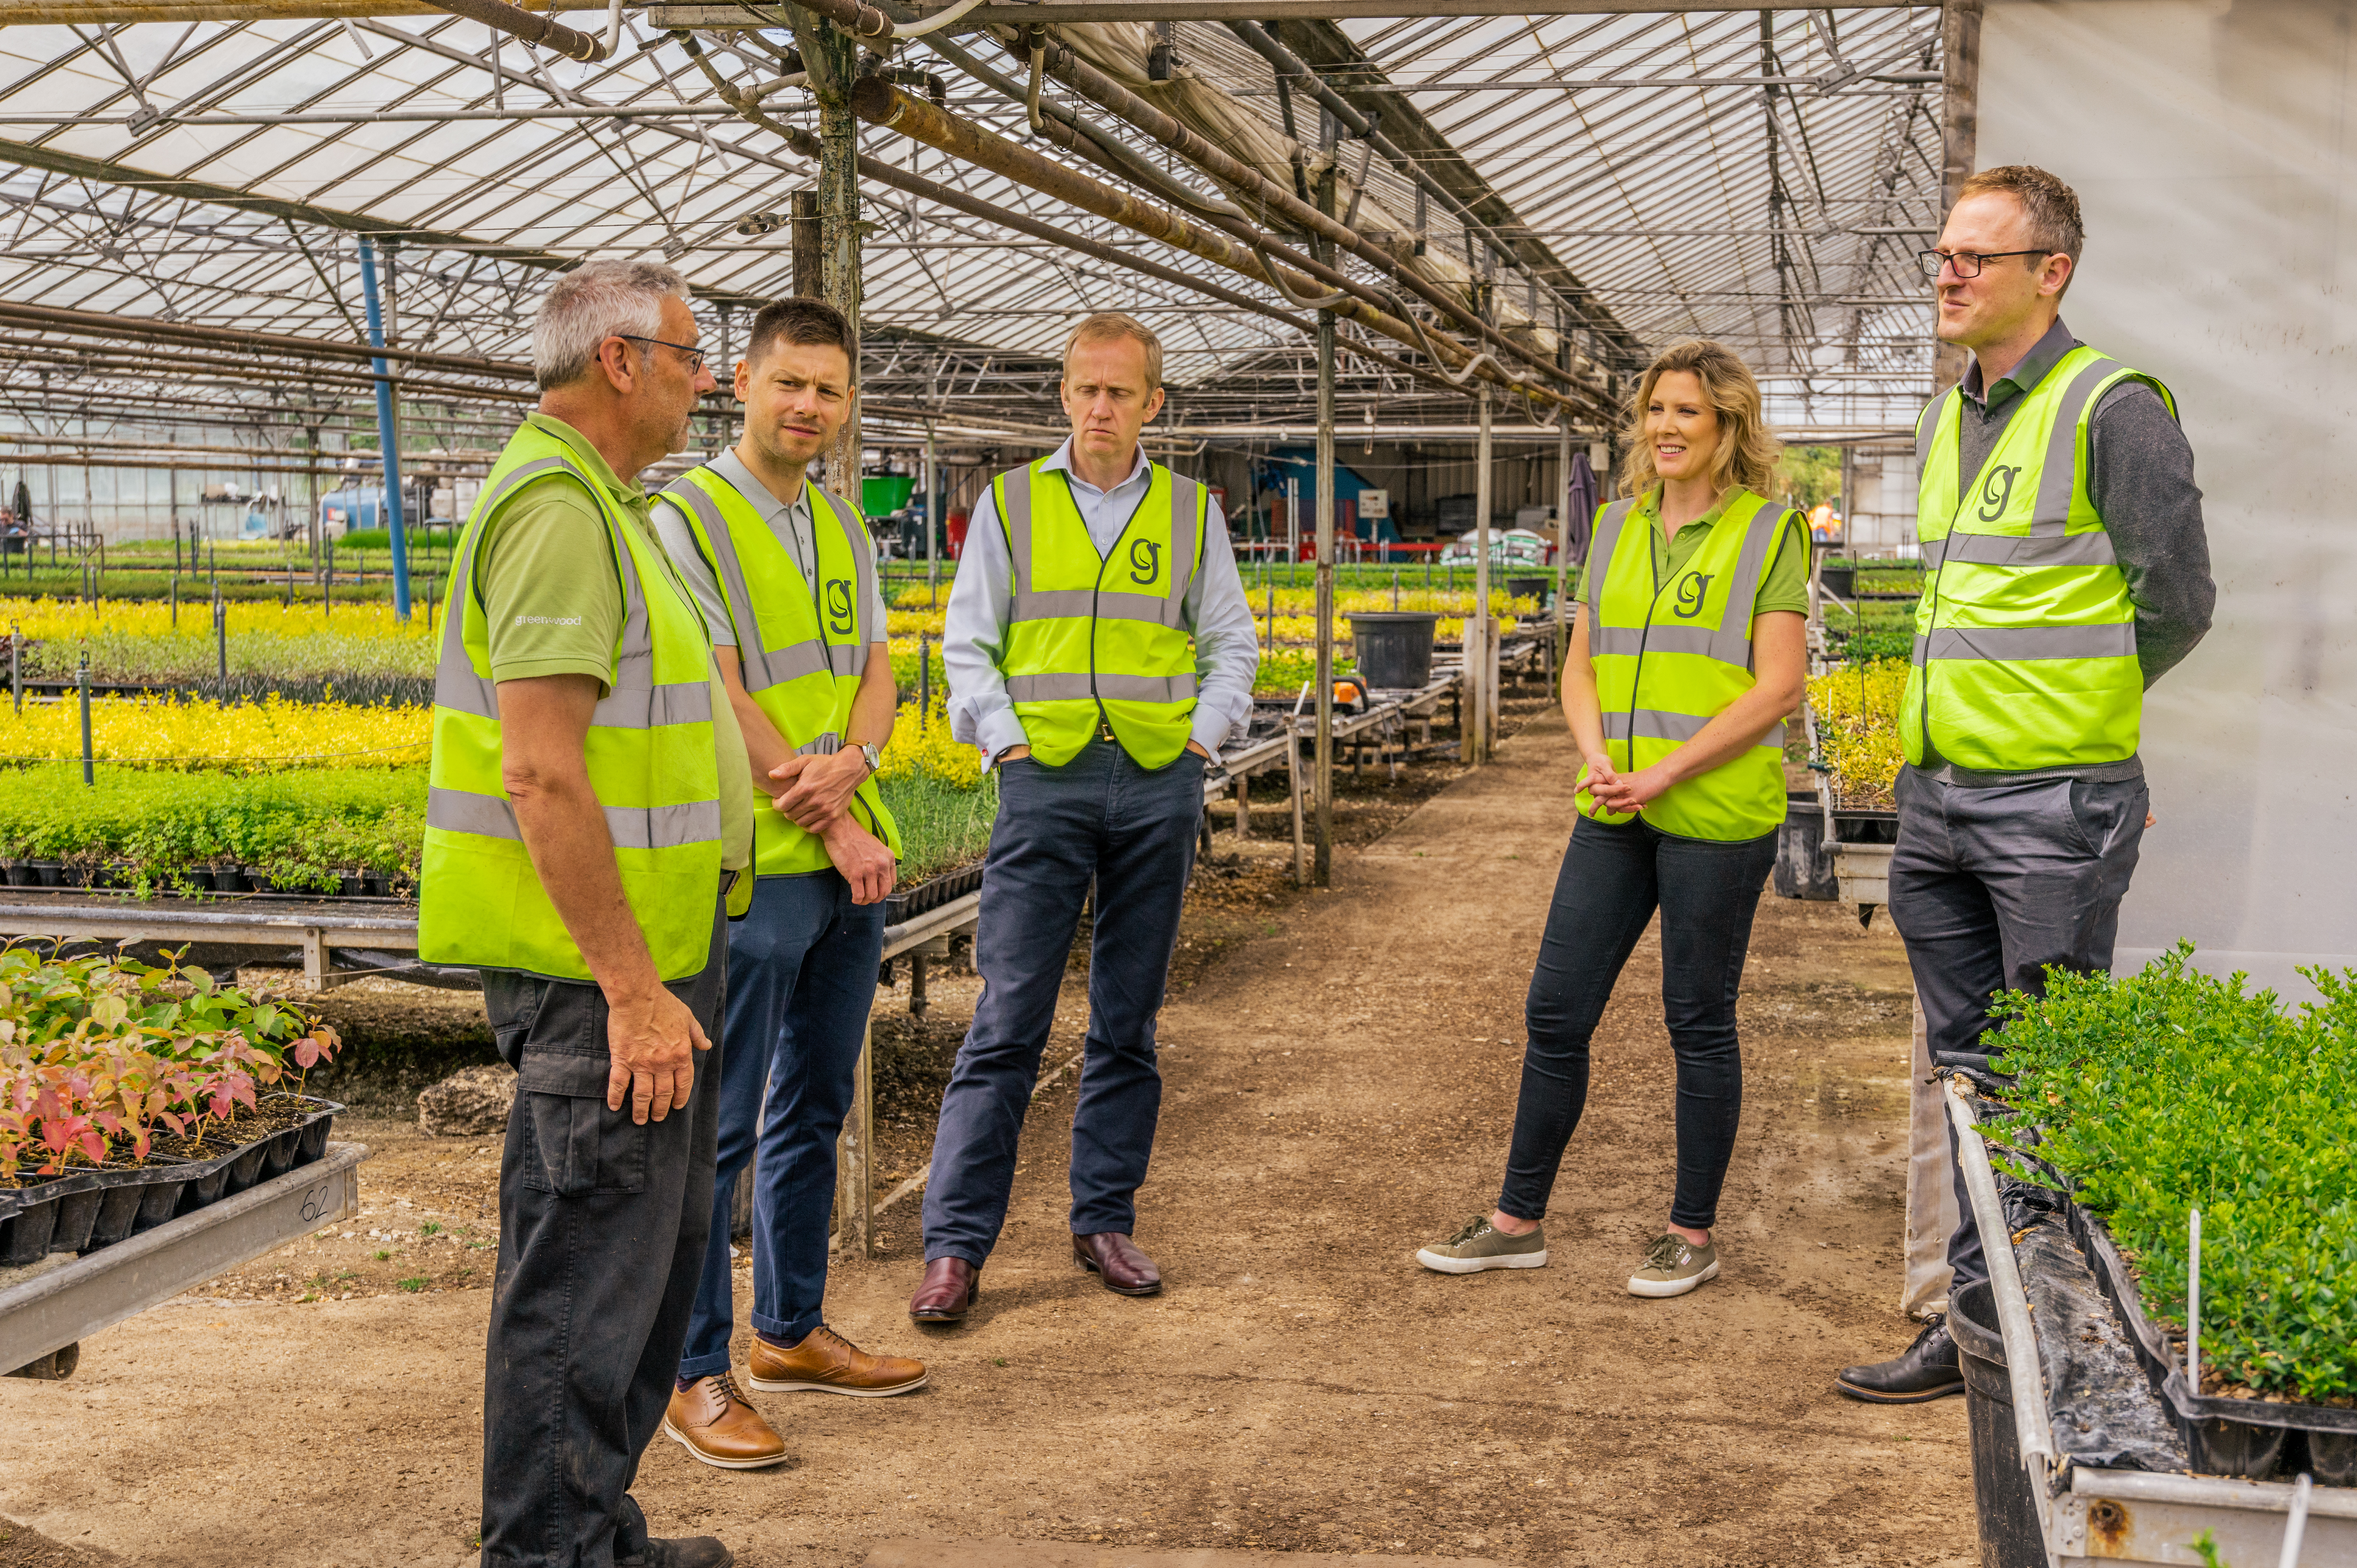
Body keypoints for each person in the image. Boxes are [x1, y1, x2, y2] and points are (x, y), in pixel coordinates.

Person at [1835, 166, 2214, 1404]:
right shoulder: (1955, 412)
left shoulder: (2116, 408)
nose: (1946, 275)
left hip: (2052, 803)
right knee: (1973, 1084)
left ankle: (2056, 1355)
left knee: (2044, 1086)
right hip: (1938, 800)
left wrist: (2079, 715)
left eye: (1974, 259)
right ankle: (1985, 1330)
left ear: (2051, 273)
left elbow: (2178, 604)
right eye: (1943, 256)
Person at [419, 258, 743, 1568]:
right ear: (616, 361)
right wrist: (629, 988)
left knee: (633, 1280)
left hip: (645, 965)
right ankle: (548, 1552)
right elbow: (541, 767)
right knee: (577, 1291)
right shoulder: (557, 511)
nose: (701, 378)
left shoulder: (606, 508)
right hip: (595, 985)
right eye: (686, 354)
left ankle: (592, 1532)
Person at [1415, 339, 1808, 1300]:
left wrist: (1665, 769)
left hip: (1714, 813)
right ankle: (1517, 1220)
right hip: (1615, 803)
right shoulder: (1618, 526)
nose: (1667, 429)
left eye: (1689, 413)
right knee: (1556, 1007)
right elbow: (1580, 663)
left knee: (1697, 1019)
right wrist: (1596, 755)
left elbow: (1780, 687)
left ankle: (1692, 1231)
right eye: (1656, 412)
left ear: (1728, 428)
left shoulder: (1769, 532)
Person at [910, 311, 1260, 1321]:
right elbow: (967, 642)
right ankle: (956, 1247)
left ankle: (1103, 1218)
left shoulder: (1195, 513)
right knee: (1008, 1016)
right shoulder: (1012, 505)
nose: (1100, 407)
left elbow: (1228, 641)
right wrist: (1006, 743)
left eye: (1121, 391)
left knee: (1128, 1020)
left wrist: (1202, 742)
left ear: (1154, 402)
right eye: (1083, 388)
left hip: (1157, 783)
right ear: (1063, 395)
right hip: (1046, 784)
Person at [647, 297, 926, 1469]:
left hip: (841, 853)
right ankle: (692, 1368)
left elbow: (876, 672)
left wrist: (852, 773)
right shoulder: (688, 519)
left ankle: (791, 1328)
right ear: (740, 386)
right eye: (789, 384)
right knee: (720, 1125)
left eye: (830, 389)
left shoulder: (843, 525)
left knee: (816, 1102)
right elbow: (712, 686)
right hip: (753, 866)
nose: (809, 406)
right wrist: (813, 801)